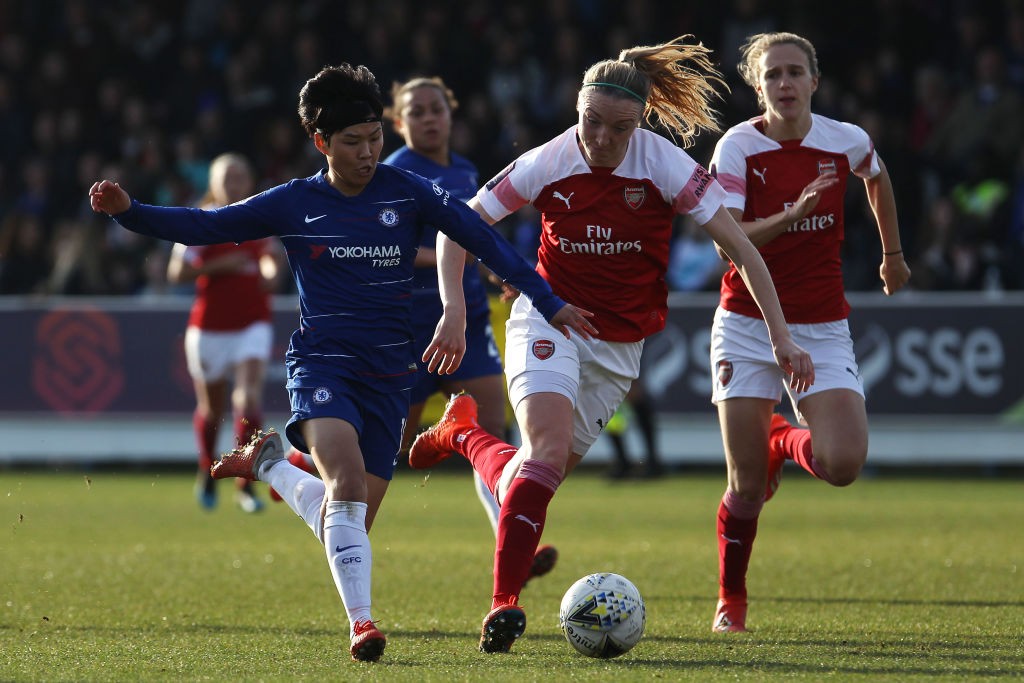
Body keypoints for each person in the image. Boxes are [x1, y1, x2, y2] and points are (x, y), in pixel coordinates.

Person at [89, 62, 594, 663]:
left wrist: (549, 300)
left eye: (375, 139)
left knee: (344, 515)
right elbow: (206, 227)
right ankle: (363, 625)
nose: (367, 152)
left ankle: (272, 466)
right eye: (352, 143)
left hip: (391, 372)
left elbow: (483, 240)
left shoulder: (406, 190)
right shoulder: (295, 201)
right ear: (320, 142)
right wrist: (130, 211)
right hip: (324, 365)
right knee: (347, 486)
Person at [408, 35, 814, 654]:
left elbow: (743, 250)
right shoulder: (549, 159)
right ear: (577, 108)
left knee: (531, 477)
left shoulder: (667, 167)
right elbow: (456, 226)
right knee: (541, 454)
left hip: (620, 346)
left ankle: (462, 434)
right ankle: (503, 606)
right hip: (550, 318)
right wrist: (455, 312)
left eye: (618, 129)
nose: (600, 139)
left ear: (641, 122)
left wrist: (781, 337)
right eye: (591, 122)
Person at [706, 32, 911, 633]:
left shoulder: (845, 141)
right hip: (746, 323)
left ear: (815, 82)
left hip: (821, 324)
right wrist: (791, 216)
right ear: (758, 86)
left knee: (843, 462)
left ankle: (781, 441)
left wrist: (892, 254)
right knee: (744, 487)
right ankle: (732, 601)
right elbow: (731, 241)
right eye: (773, 75)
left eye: (796, 72)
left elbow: (878, 178)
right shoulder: (737, 147)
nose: (786, 84)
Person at [381, 76, 559, 581]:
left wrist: (490, 267)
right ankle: (293, 470)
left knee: (492, 433)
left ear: (451, 114)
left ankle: (514, 545)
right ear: (399, 123)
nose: (430, 118)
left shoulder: (464, 169)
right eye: (417, 112)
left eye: (437, 108)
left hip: (470, 320)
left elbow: (472, 233)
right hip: (409, 327)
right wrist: (453, 255)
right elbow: (388, 249)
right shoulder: (392, 174)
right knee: (390, 450)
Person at [166, 152, 285, 513]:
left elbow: (271, 256)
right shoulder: (202, 223)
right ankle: (207, 468)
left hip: (252, 323)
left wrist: (269, 273)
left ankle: (245, 482)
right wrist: (221, 265)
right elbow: (176, 273)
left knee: (247, 400)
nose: (234, 183)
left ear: (250, 183)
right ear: (213, 184)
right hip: (209, 329)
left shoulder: (258, 217)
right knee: (212, 408)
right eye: (226, 177)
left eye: (240, 176)